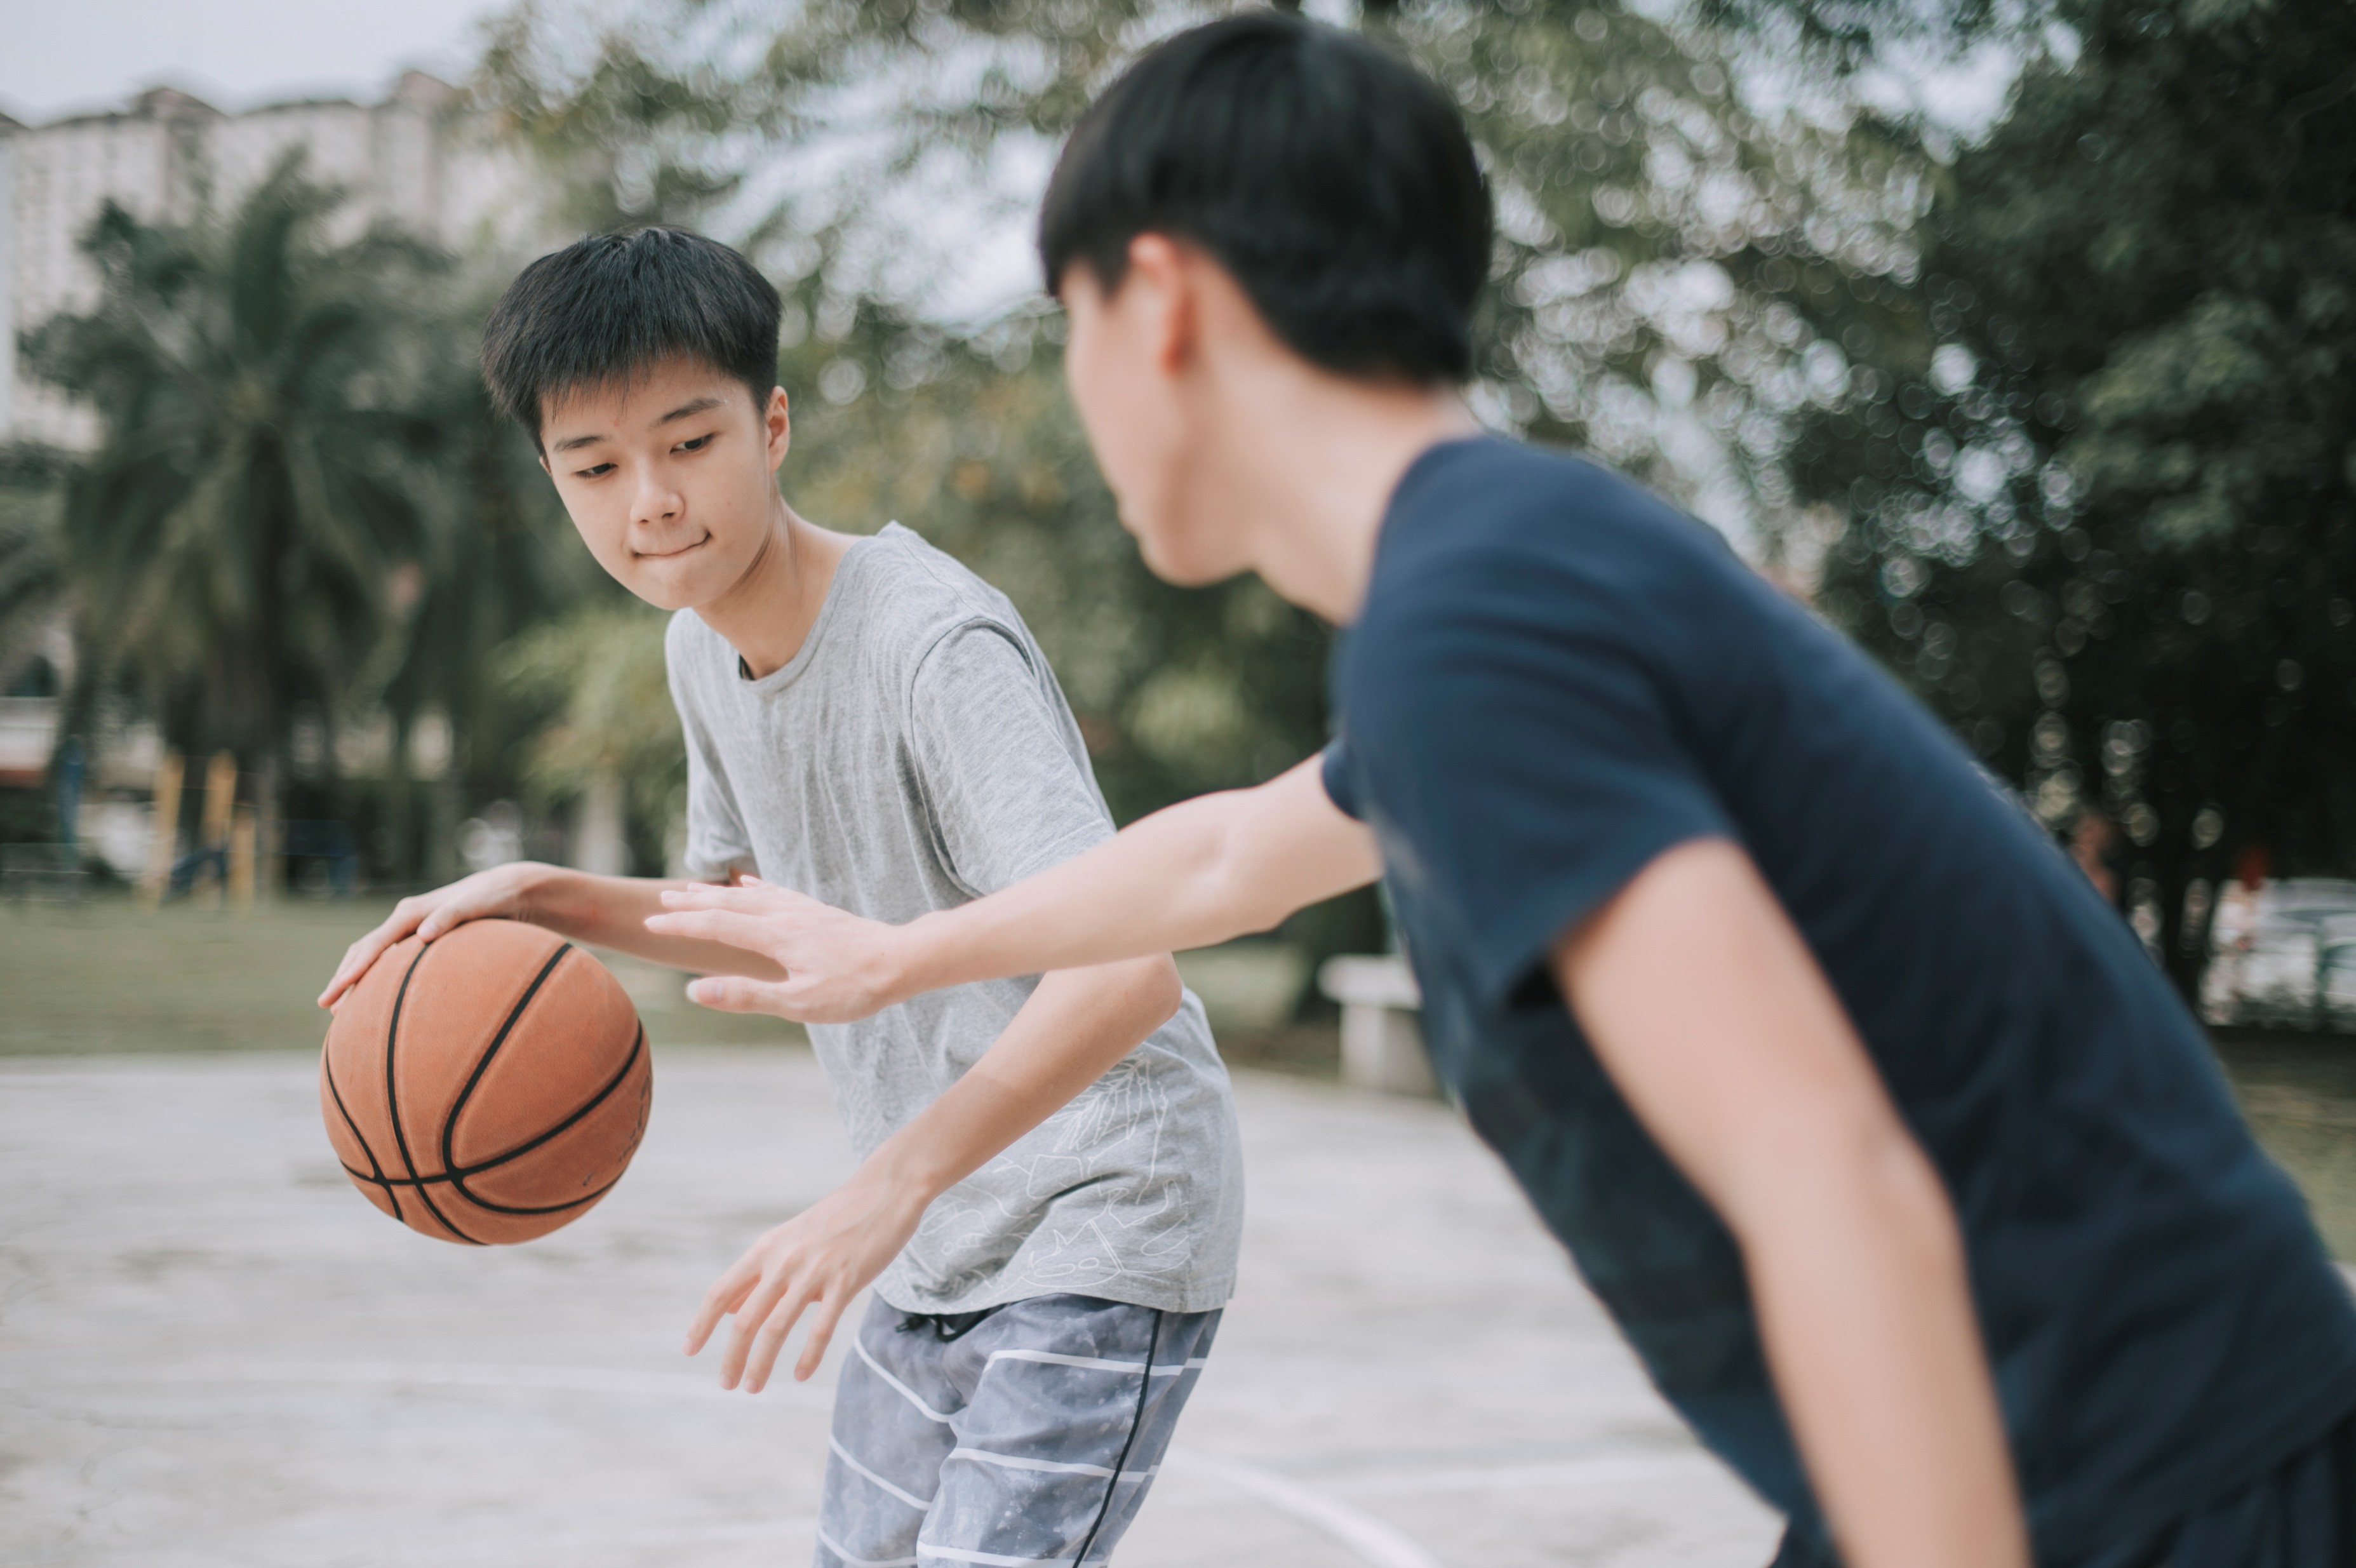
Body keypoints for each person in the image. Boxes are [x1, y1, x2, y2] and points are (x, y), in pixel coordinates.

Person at [643, 15, 2356, 1567]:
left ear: (1155, 301)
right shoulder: (1507, 563)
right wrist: (893, 959)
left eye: (1067, 320)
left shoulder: (1473, 615)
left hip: (2144, 1467)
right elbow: (1233, 853)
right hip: (2067, 1430)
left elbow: (1825, 1170)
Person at [316, 227, 1243, 1568]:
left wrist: (884, 1188)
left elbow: (1127, 969)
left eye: (690, 443)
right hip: (941, 1225)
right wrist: (533, 893)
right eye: (596, 466)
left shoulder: (931, 644)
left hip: (1101, 1198)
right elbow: (745, 912)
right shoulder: (701, 649)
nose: (651, 500)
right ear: (552, 481)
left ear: (774, 423)